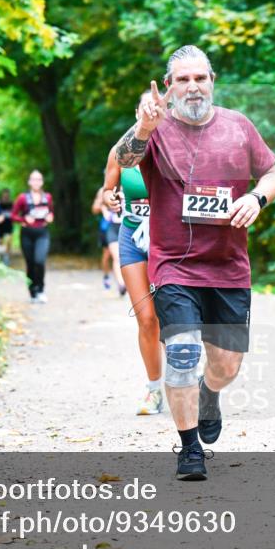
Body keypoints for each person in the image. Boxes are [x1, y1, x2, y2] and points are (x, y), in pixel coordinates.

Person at [113, 45, 275, 480]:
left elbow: (273, 173)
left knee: (226, 365)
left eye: (200, 78)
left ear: (212, 82)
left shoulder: (239, 126)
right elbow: (124, 160)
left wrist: (256, 198)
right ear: (168, 87)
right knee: (184, 352)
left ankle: (210, 395)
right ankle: (189, 449)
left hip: (228, 266)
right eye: (183, 80)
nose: (193, 86)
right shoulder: (155, 129)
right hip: (175, 265)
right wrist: (143, 126)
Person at [103, 100, 163, 415]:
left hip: (167, 240)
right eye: (144, 109)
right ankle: (154, 390)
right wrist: (110, 198)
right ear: (137, 113)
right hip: (131, 236)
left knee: (172, 317)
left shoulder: (173, 147)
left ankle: (182, 379)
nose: (149, 114)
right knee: (146, 318)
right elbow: (106, 189)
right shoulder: (121, 150)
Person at [10, 170, 54, 303]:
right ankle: (32, 292)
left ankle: (40, 290)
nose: (36, 182)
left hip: (42, 233)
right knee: (30, 263)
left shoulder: (47, 197)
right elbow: (13, 216)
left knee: (39, 261)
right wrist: (23, 219)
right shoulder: (23, 198)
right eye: (33, 179)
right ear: (29, 182)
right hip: (27, 234)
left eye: (39, 179)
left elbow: (51, 212)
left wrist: (51, 217)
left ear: (42, 182)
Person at [91, 185, 126, 295]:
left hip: (125, 226)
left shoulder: (129, 185)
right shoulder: (104, 190)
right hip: (110, 227)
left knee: (119, 256)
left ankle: (123, 283)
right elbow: (94, 208)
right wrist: (103, 207)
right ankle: (115, 280)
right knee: (109, 256)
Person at [0, 188, 15, 265]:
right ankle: (0, 257)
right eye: (4, 194)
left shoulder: (12, 203)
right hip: (0, 226)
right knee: (0, 242)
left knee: (8, 242)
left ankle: (7, 257)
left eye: (6, 194)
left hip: (9, 225)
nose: (5, 196)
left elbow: (15, 213)